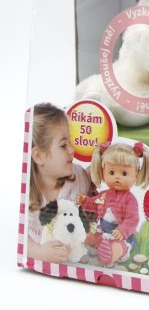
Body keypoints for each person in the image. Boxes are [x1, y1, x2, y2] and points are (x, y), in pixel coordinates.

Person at [28, 103, 94, 262]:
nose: (72, 150)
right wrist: (38, 252)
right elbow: (17, 233)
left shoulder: (78, 177)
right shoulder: (26, 193)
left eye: (70, 142)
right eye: (64, 145)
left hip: (74, 256)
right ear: (38, 156)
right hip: (41, 255)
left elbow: (96, 177)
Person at [77, 142, 149, 265]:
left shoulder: (130, 200)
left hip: (120, 236)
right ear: (103, 172)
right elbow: (95, 203)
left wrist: (122, 231)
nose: (117, 177)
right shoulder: (104, 195)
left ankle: (113, 253)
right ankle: (95, 245)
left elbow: (132, 219)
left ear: (136, 174)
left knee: (119, 246)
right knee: (89, 236)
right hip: (102, 232)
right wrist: (85, 201)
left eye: (124, 173)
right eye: (111, 172)